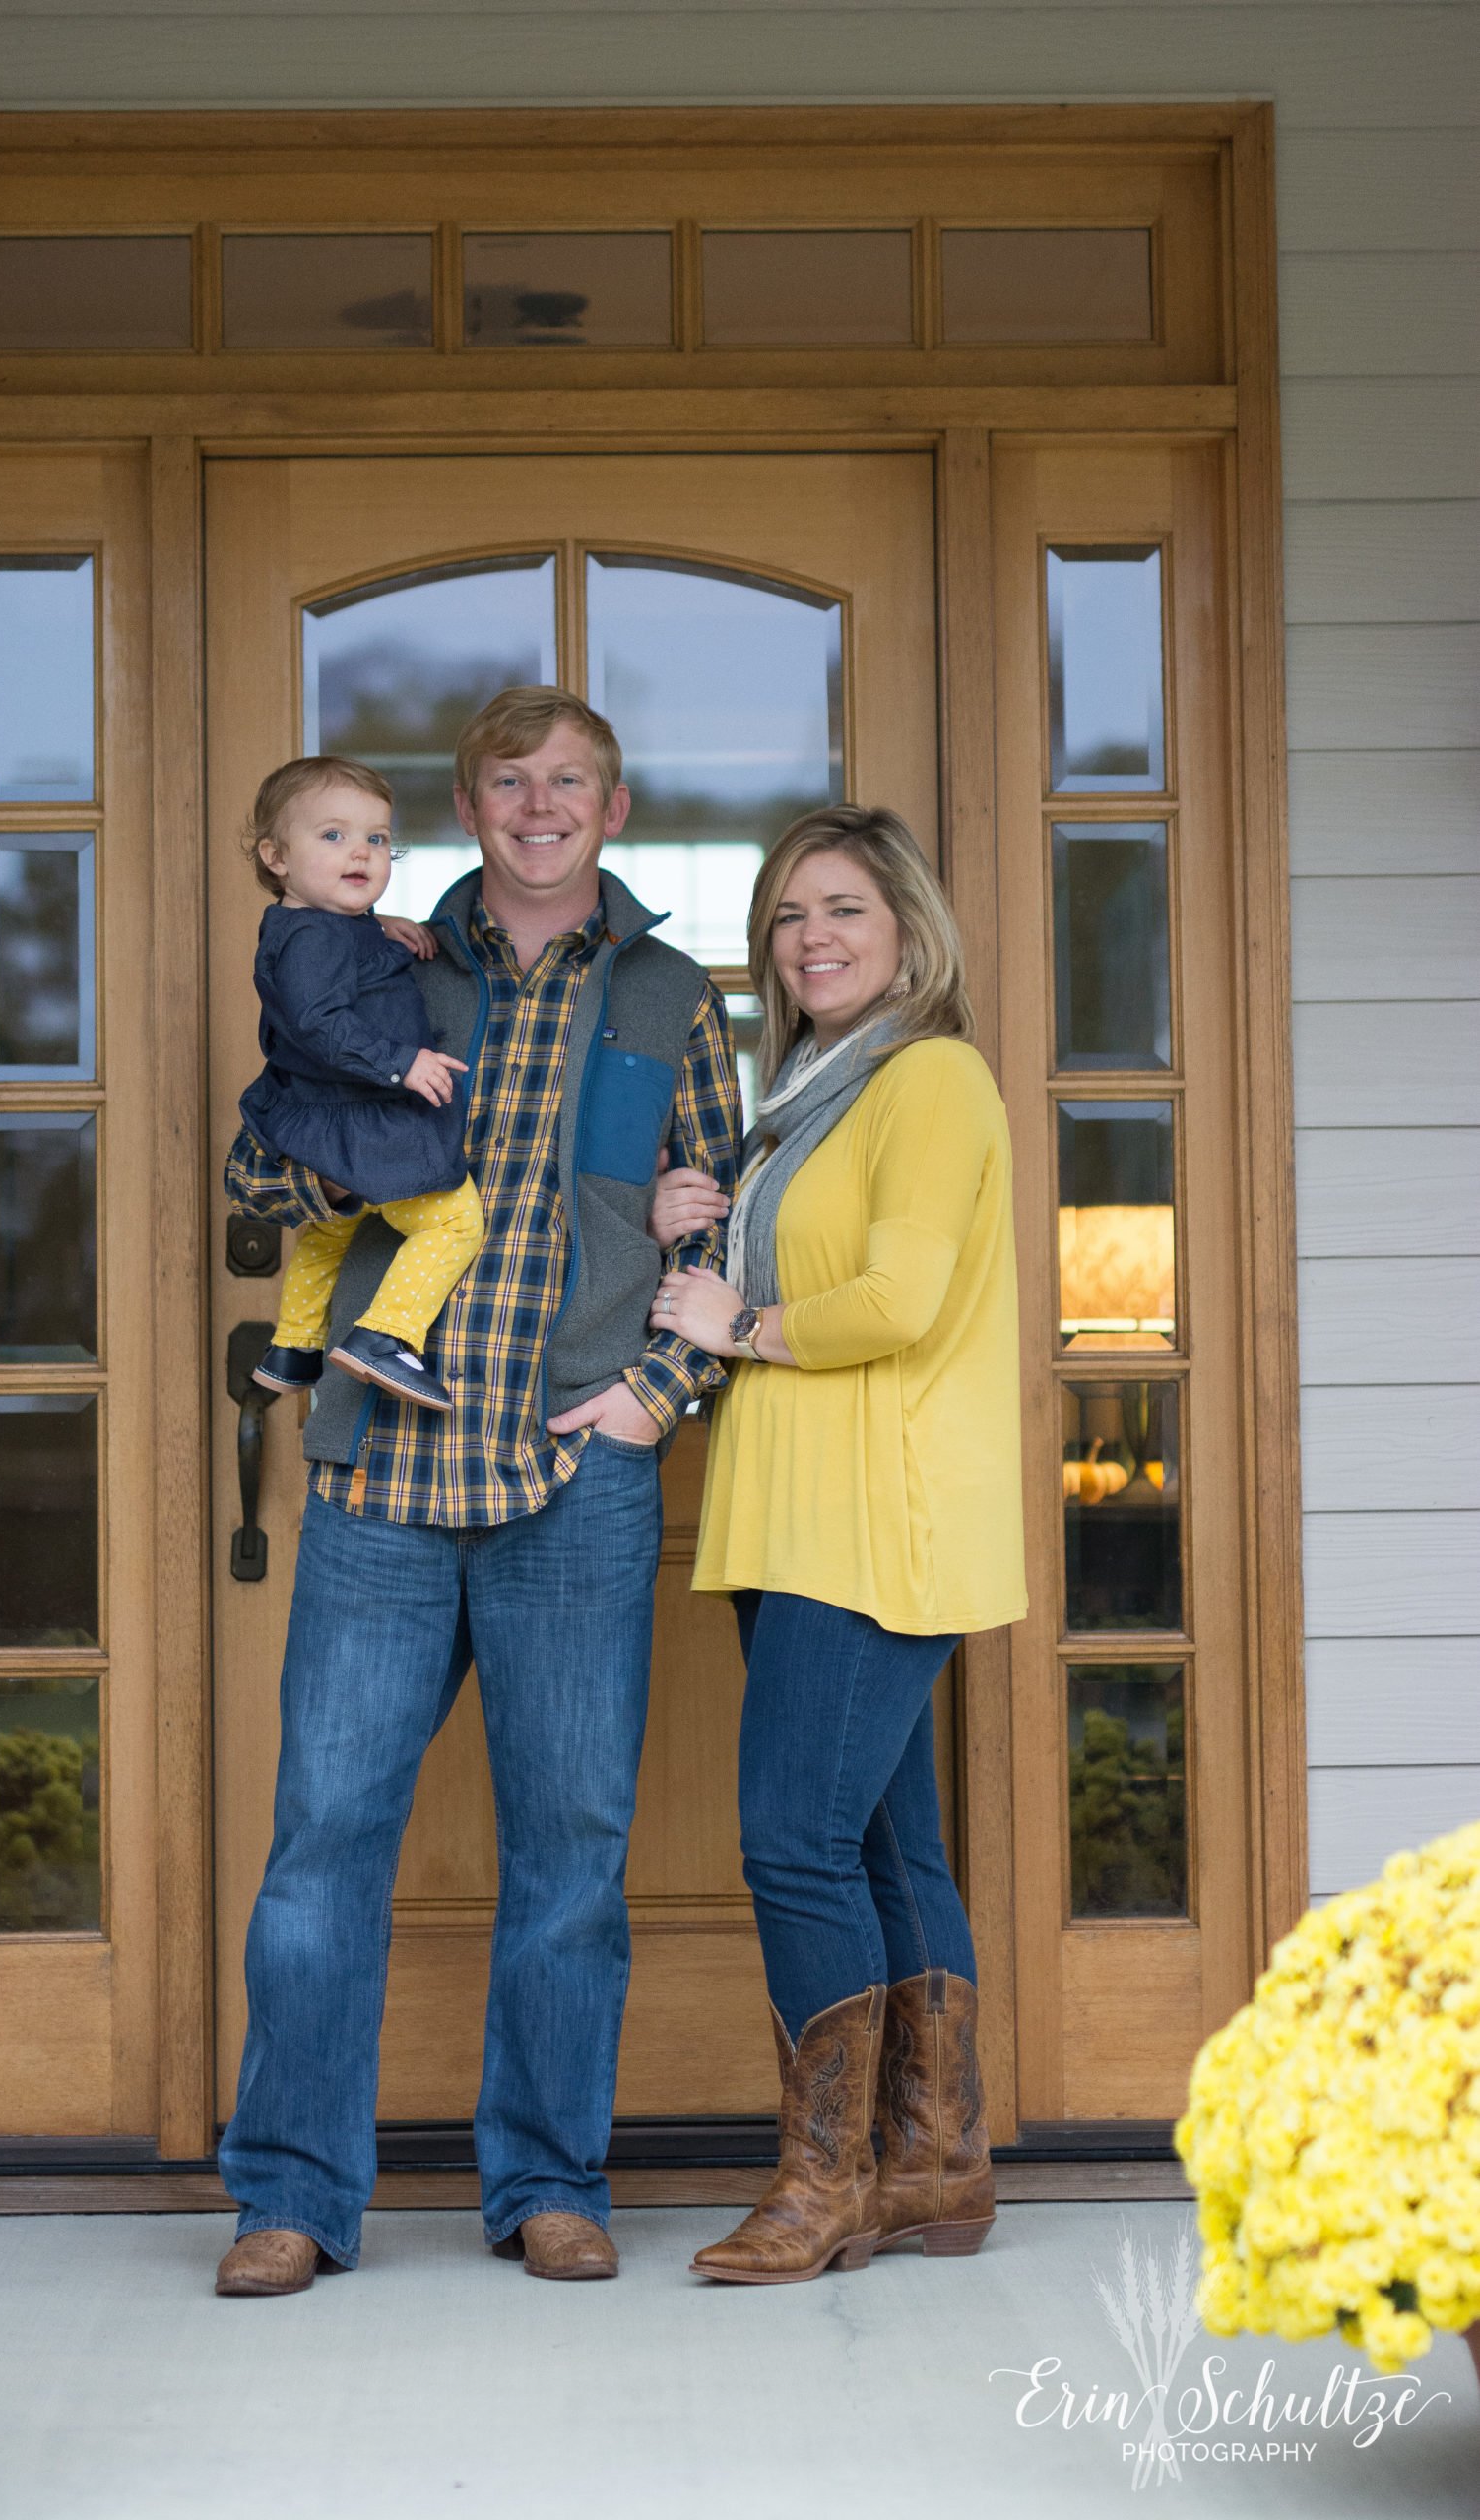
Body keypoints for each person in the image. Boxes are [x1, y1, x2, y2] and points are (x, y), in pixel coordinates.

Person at [213, 688, 741, 2296]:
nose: (539, 805)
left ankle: (548, 2183)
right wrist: (345, 1165)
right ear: (471, 804)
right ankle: (289, 2198)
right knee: (323, 1843)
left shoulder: (667, 998)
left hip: (573, 1482)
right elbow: (254, 1167)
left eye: (568, 781)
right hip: (384, 1476)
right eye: (509, 781)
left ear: (612, 807)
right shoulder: (384, 963)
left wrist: (656, 1396)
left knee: (571, 1855)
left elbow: (728, 1220)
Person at [645, 803, 1026, 2285]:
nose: (811, 937)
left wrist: (734, 1320)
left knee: (792, 1841)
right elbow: (796, 1258)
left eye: (844, 909)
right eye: (789, 916)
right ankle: (934, 2166)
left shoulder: (926, 1075)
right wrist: (696, 1219)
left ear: (909, 931)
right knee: (882, 1841)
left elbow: (895, 1301)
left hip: (873, 1514)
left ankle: (825, 2182)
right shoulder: (808, 1098)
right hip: (805, 1508)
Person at [233, 754, 484, 1411]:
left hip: (327, 1115)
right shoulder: (313, 941)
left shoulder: (316, 926)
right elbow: (318, 1021)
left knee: (330, 1232)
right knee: (454, 1220)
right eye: (333, 835)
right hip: (360, 1115)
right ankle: (386, 1335)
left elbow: (336, 954)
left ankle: (293, 1346)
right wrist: (402, 1063)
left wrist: (378, 927)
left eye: (377, 837)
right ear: (275, 857)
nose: (361, 851)